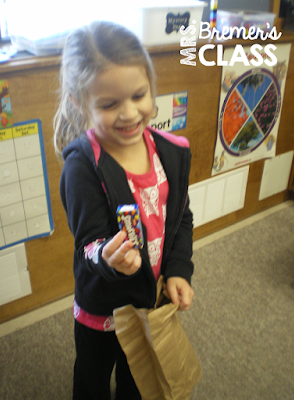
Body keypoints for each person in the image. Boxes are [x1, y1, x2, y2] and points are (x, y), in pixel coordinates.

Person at [54, 20, 194, 400]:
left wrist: (179, 269)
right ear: (80, 104)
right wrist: (107, 256)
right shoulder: (82, 168)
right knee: (92, 379)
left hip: (149, 301)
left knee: (140, 378)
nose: (130, 113)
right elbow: (88, 243)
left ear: (151, 87)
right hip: (103, 309)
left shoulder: (172, 152)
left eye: (139, 95)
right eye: (109, 104)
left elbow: (181, 217)